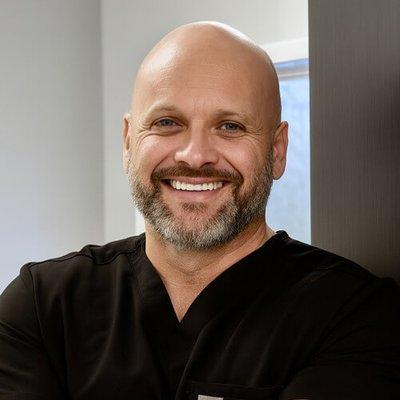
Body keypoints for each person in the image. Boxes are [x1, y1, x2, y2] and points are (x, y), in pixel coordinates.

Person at [1, 21, 399, 400]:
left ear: (277, 150)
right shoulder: (42, 306)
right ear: (128, 142)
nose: (195, 156)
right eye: (167, 122)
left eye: (230, 127)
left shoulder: (354, 315)